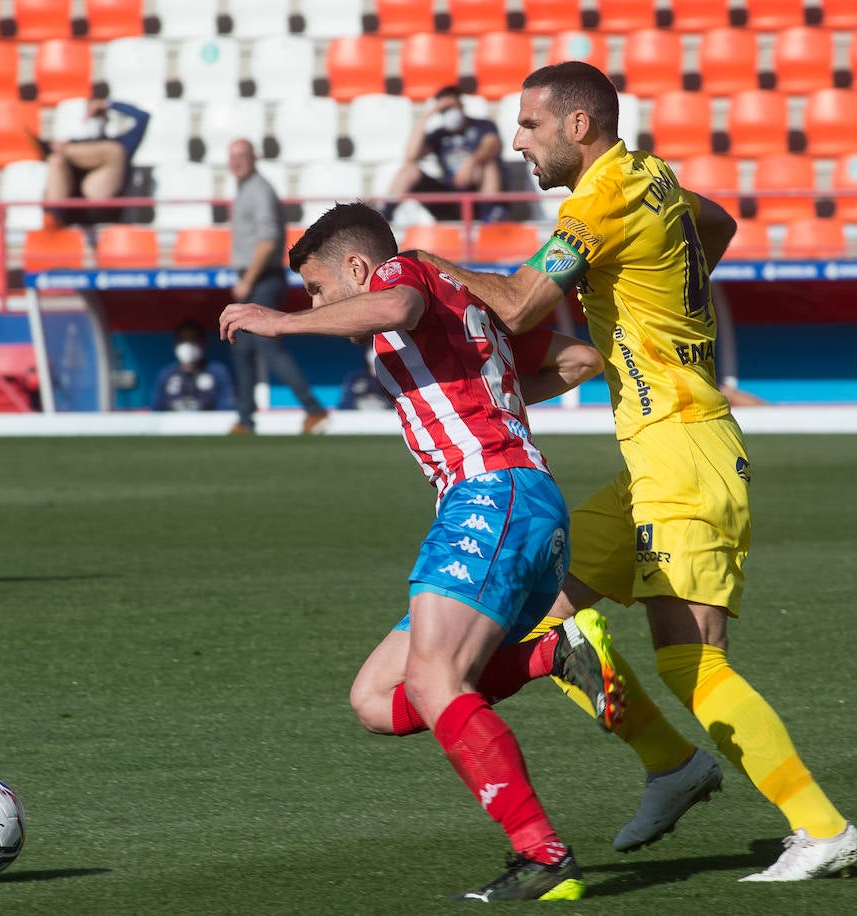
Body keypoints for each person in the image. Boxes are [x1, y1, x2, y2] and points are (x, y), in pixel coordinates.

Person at [411, 61, 857, 882]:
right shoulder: (652, 179)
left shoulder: (599, 200)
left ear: (577, 126)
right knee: (541, 616)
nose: (517, 142)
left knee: (694, 661)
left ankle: (821, 826)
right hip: (653, 459)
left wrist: (429, 268)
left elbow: (517, 306)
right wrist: (666, 299)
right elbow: (716, 224)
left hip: (685, 451)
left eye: (529, 125)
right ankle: (671, 765)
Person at [219, 201, 613, 902]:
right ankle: (555, 654)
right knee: (376, 699)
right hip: (515, 507)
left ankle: (544, 854)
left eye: (316, 289)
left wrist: (282, 322)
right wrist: (493, 390)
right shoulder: (465, 314)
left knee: (434, 683)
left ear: (357, 268)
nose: (312, 304)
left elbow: (396, 302)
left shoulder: (406, 277)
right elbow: (581, 358)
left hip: (492, 497)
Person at [225, 138, 330, 435]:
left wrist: (247, 280)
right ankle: (245, 419)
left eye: (242, 155)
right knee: (241, 348)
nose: (236, 161)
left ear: (254, 157)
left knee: (267, 345)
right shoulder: (246, 188)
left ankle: (314, 410)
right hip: (255, 277)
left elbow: (268, 240)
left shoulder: (259, 190)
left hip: (262, 278)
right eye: (232, 156)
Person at [383, 85, 507, 224]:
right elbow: (411, 156)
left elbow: (491, 145)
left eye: (452, 107)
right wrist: (425, 117)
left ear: (461, 104)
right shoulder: (439, 134)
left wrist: (471, 162)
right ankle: (385, 217)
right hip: (450, 197)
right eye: (444, 110)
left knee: (488, 164)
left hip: (476, 197)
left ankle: (491, 216)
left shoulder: (483, 125)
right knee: (409, 170)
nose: (449, 113)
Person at [41, 98, 150, 224]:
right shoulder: (60, 158)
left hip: (103, 212)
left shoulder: (120, 145)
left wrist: (108, 104)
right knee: (55, 161)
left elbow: (143, 117)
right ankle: (52, 221)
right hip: (66, 212)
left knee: (114, 151)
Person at [150, 320, 235, 412]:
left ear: (203, 343)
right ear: (175, 344)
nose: (188, 345)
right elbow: (156, 411)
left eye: (193, 339)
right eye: (183, 340)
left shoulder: (218, 372)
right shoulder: (166, 374)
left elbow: (227, 409)